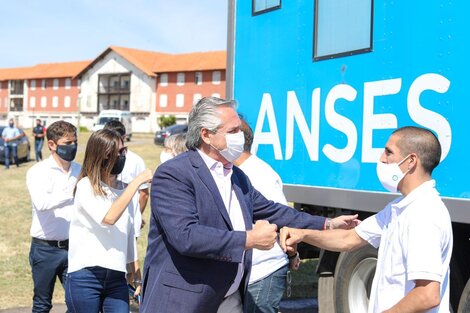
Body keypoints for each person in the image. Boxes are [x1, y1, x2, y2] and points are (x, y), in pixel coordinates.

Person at [141, 97, 358, 313]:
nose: (240, 137)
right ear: (206, 135)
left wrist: (328, 223)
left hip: (227, 297)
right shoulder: (174, 174)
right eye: (233, 131)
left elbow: (273, 210)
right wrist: (249, 239)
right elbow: (186, 236)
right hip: (184, 301)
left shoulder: (237, 176)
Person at [280, 126, 453, 313]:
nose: (382, 158)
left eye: (389, 152)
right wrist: (303, 234)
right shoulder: (399, 208)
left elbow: (428, 294)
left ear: (411, 160)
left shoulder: (424, 215)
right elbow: (349, 239)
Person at [65, 129, 152, 313]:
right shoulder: (85, 187)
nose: (122, 156)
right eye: (116, 153)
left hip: (116, 276)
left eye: (124, 151)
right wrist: (137, 183)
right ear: (101, 156)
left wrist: (135, 274)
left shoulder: (125, 190)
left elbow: (128, 236)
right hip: (86, 276)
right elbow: (109, 218)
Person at [233, 116, 299, 313]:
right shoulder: (236, 171)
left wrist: (292, 252)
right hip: (247, 272)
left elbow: (285, 220)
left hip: (263, 272)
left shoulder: (259, 174)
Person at [26, 120, 81, 313]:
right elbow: (42, 204)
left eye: (75, 142)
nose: (73, 146)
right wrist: (74, 192)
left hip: (73, 247)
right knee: (42, 304)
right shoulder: (38, 172)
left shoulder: (80, 170)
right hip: (45, 249)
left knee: (79, 302)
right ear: (52, 145)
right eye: (67, 143)